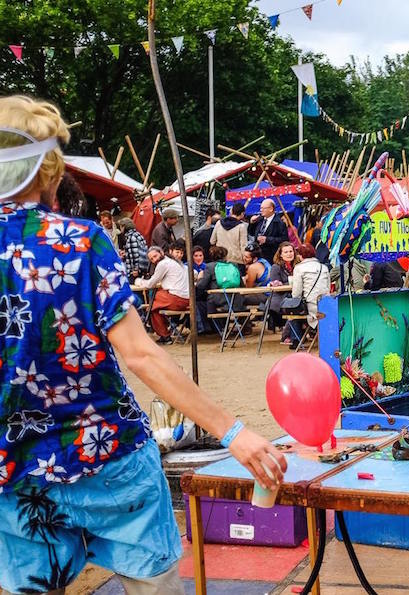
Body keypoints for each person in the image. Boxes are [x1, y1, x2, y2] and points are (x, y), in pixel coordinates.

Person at [0, 95, 285, 595]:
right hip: (111, 458)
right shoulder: (80, 241)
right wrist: (232, 431)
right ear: (49, 172)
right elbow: (140, 354)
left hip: (15, 472)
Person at [136, 246, 190, 344]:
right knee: (154, 306)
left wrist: (139, 281)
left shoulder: (163, 264)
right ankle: (165, 334)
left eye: (155, 256)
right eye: (151, 259)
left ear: (161, 252)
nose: (154, 260)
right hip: (187, 300)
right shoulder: (175, 262)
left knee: (152, 302)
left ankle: (165, 335)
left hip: (177, 299)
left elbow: (150, 284)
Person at [283, 244, 330, 349]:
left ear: (300, 256)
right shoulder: (324, 267)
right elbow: (327, 287)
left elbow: (296, 294)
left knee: (292, 308)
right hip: (326, 304)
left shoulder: (299, 268)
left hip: (311, 306)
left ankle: (296, 340)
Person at [267, 241, 298, 334]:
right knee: (295, 307)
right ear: (280, 255)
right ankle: (289, 335)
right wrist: (290, 282)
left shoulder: (298, 265)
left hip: (295, 294)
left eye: (291, 251)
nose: (289, 254)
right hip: (281, 297)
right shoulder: (276, 267)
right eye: (286, 252)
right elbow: (276, 285)